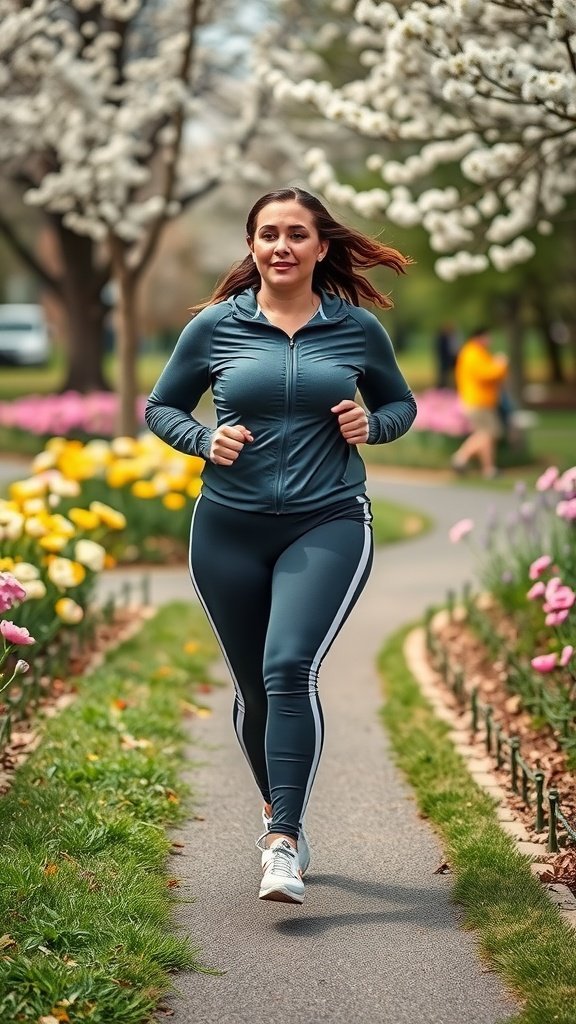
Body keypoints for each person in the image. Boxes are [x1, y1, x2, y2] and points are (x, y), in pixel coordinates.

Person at [145, 187, 417, 905]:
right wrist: (203, 438)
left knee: (289, 665)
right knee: (254, 685)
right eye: (269, 234)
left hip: (326, 521)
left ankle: (282, 841)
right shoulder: (214, 327)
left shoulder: (355, 329)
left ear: (321, 247)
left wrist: (373, 425)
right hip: (227, 530)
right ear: (252, 245)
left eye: (297, 234)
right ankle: (279, 812)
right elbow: (160, 406)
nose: (282, 246)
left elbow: (400, 403)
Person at [451, 326, 508, 479]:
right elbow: (486, 374)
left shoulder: (477, 353)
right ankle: (462, 458)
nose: (490, 340)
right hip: (477, 401)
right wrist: (500, 364)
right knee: (487, 433)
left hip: (481, 400)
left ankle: (486, 468)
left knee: (485, 435)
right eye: (487, 337)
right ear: (479, 337)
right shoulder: (472, 354)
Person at [434, 321, 460, 389]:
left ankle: (451, 386)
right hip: (445, 358)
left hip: (451, 358)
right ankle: (441, 387)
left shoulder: (452, 337)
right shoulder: (442, 338)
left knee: (452, 374)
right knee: (443, 374)